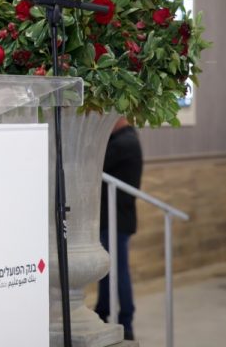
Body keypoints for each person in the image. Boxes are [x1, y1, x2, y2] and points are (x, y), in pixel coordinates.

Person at [94, 117, 143, 342]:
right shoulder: (124, 140)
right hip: (113, 217)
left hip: (117, 219)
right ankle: (102, 311)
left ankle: (126, 320)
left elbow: (96, 164)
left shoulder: (124, 143)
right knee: (108, 269)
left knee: (119, 271)